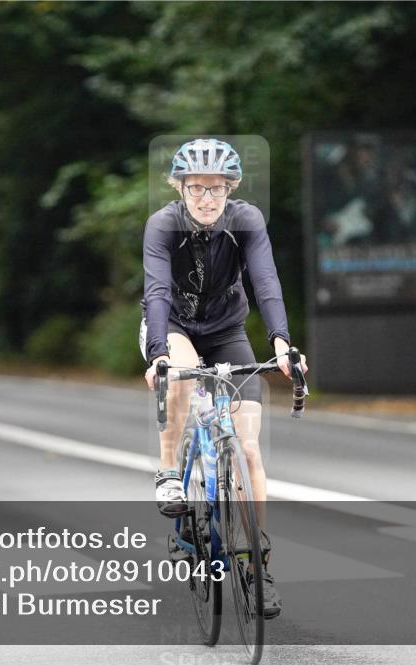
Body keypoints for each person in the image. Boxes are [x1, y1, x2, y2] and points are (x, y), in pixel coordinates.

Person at [141, 138, 308, 619]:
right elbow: (155, 291)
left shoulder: (247, 221)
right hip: (171, 328)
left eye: (216, 188)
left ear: (230, 188)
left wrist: (281, 344)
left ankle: (257, 565)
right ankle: (171, 471)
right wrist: (157, 354)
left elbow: (266, 280)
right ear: (181, 188)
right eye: (196, 188)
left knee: (249, 446)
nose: (207, 198)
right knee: (182, 377)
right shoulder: (163, 225)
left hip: (228, 332)